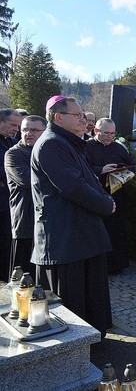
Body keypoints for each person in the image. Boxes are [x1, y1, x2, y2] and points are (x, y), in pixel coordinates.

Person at [31, 96, 116, 336]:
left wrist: (106, 199)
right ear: (59, 117)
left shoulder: (68, 142)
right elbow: (72, 186)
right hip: (66, 240)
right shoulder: (51, 144)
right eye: (77, 115)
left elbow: (88, 179)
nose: (83, 120)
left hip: (80, 237)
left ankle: (93, 344)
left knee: (91, 301)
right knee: (73, 307)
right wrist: (105, 205)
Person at [85, 118, 135, 273]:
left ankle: (115, 265)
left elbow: (132, 167)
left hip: (116, 194)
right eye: (106, 133)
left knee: (115, 231)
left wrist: (123, 174)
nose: (110, 137)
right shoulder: (86, 147)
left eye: (113, 133)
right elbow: (80, 171)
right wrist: (101, 170)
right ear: (96, 131)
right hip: (94, 195)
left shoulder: (119, 148)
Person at [5, 115, 47, 278]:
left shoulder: (47, 151)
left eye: (34, 130)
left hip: (46, 220)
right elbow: (28, 181)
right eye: (25, 129)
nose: (29, 133)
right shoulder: (14, 154)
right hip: (25, 220)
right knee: (22, 277)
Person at [0, 108, 22, 282]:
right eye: (13, 125)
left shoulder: (13, 142)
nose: (16, 129)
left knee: (7, 245)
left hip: (9, 202)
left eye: (18, 125)